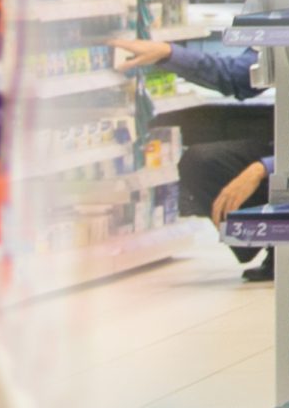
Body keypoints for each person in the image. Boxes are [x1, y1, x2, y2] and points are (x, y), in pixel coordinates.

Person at [110, 35, 278, 281]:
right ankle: (273, 244)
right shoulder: (284, 29)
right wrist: (167, 53)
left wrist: (264, 168)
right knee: (201, 162)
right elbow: (236, 77)